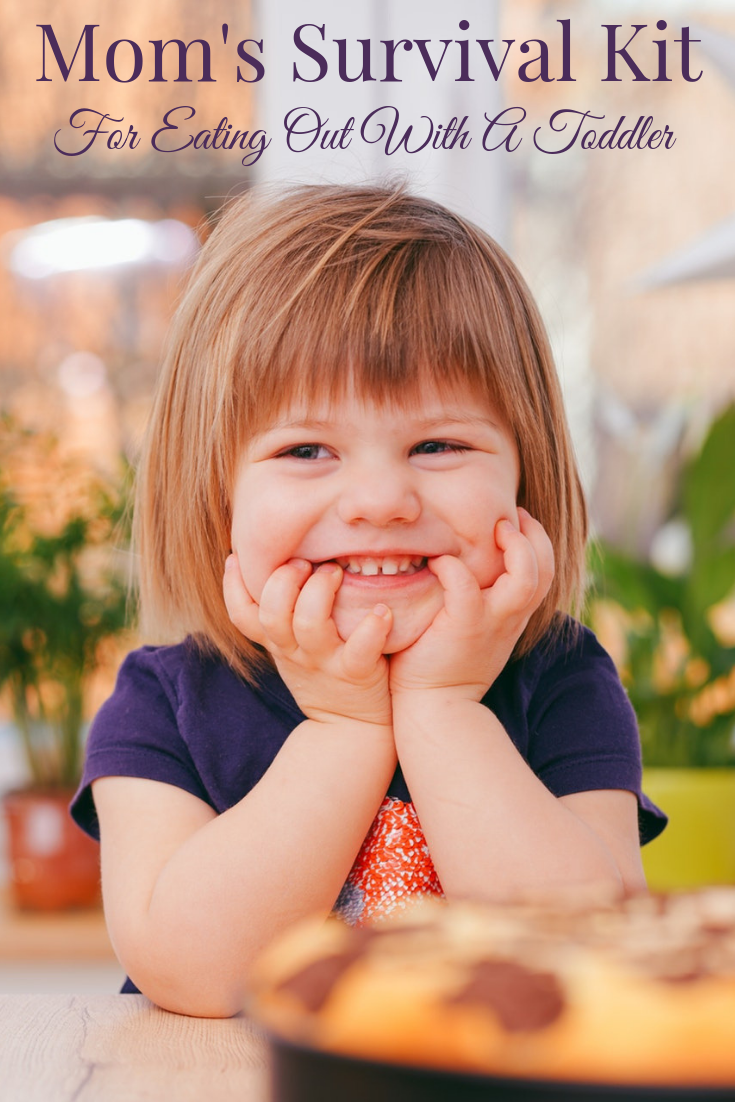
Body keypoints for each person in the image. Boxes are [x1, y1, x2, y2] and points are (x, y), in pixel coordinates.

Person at [71, 184, 665, 1018]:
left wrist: (443, 710)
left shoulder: (561, 680)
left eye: (438, 443)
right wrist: (345, 727)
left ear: (525, 477)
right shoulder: (163, 702)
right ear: (216, 497)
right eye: (307, 449)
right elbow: (193, 974)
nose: (380, 499)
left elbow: (587, 961)